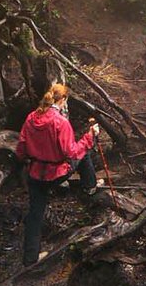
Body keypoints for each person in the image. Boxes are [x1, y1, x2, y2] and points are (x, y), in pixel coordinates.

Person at [15, 81, 104, 264]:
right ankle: (90, 186)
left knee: (35, 214)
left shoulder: (31, 117)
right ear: (63, 100)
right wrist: (90, 136)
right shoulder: (60, 123)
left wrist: (26, 162)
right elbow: (71, 152)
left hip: (35, 174)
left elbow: (21, 147)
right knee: (83, 154)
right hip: (56, 173)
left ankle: (30, 257)